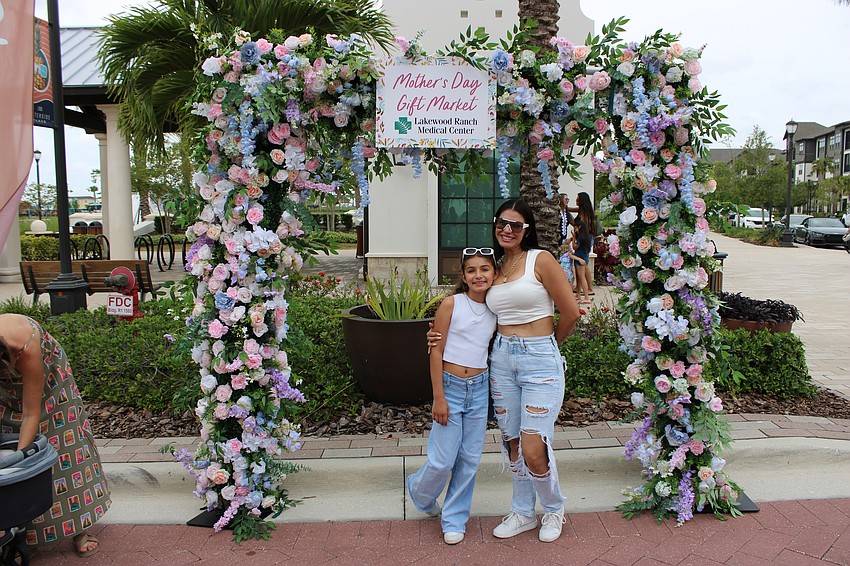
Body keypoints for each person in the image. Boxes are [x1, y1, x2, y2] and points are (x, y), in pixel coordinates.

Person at [430, 198, 580, 543]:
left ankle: (554, 509)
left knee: (533, 445)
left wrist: (548, 347)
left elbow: (570, 312)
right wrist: (438, 333)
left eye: (515, 225)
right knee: (512, 442)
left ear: (527, 229)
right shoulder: (495, 268)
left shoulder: (540, 260)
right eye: (502, 223)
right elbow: (474, 312)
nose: (507, 229)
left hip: (539, 359)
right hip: (501, 361)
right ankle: (523, 511)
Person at [0, 313, 110, 558]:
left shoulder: (25, 346)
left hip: (50, 383)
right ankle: (24, 532)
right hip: (8, 379)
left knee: (59, 445)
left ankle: (79, 528)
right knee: (7, 434)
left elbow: (30, 414)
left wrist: (19, 460)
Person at [407, 248, 497, 545]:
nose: (478, 275)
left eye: (485, 269)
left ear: (494, 274)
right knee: (442, 460)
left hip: (480, 389)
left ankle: (454, 518)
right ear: (463, 276)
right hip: (451, 386)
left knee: (469, 459)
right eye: (471, 270)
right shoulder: (451, 304)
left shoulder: (498, 308)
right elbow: (436, 350)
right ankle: (420, 490)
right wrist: (439, 397)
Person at [574, 192, 599, 297]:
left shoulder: (583, 212)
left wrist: (576, 236)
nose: (576, 200)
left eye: (577, 198)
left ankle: (588, 288)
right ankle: (584, 288)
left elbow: (583, 226)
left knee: (583, 263)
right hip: (589, 238)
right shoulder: (588, 211)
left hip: (584, 239)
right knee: (585, 262)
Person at [571, 217, 593, 304]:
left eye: (575, 228)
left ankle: (586, 297)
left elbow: (574, 247)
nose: (575, 229)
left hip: (580, 259)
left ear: (579, 227)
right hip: (582, 258)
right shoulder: (588, 237)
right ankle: (578, 294)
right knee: (578, 277)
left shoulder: (580, 238)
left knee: (581, 277)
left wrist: (573, 238)